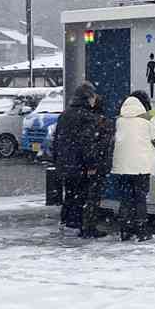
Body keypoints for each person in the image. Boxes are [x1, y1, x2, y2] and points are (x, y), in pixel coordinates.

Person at [112, 91, 155, 242]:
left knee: (125, 198)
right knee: (140, 198)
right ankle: (141, 231)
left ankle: (125, 230)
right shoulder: (147, 117)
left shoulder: (119, 119)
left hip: (122, 166)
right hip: (141, 165)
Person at [54, 82, 102, 235]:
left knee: (69, 193)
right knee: (80, 195)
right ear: (87, 97)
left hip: (65, 163)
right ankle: (75, 226)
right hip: (79, 164)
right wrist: (92, 164)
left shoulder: (65, 114)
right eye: (93, 96)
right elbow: (88, 144)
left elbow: (57, 140)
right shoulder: (87, 117)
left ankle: (65, 221)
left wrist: (58, 160)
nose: (95, 99)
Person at [79, 94, 115, 238]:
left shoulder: (88, 121)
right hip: (99, 165)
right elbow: (102, 145)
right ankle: (90, 227)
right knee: (94, 197)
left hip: (89, 164)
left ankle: (85, 225)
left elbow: (89, 145)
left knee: (87, 196)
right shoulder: (102, 122)